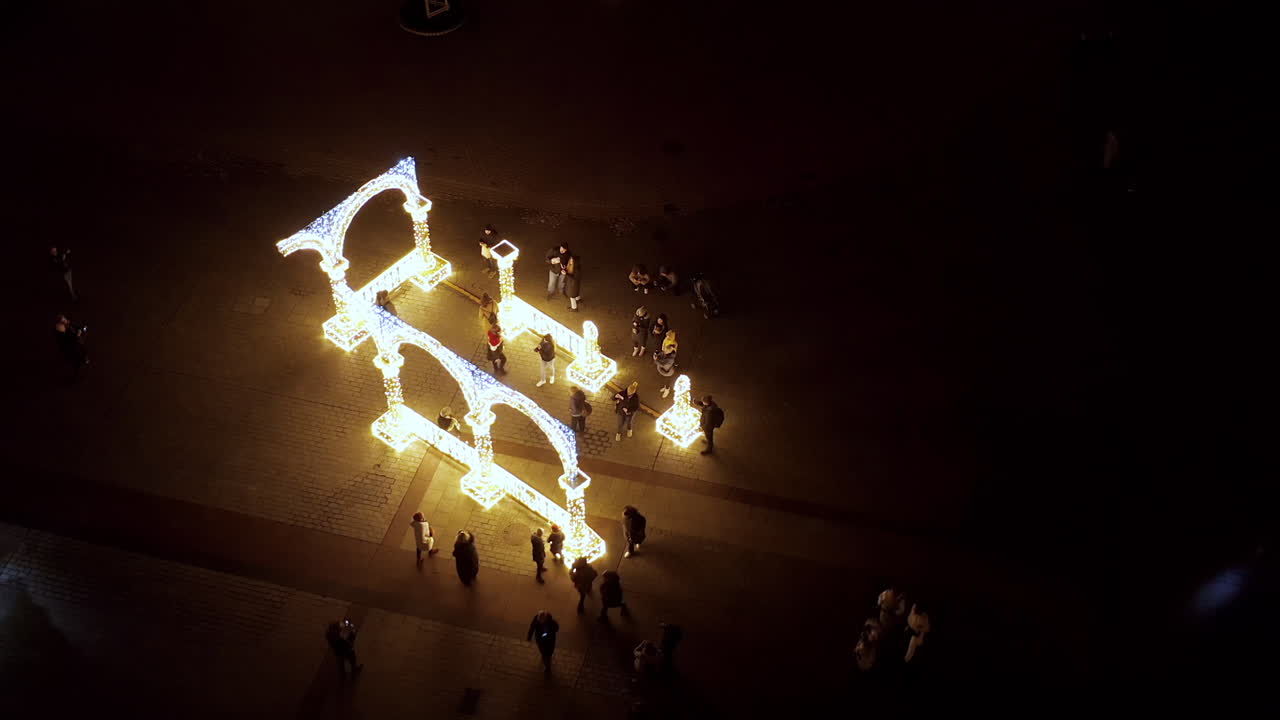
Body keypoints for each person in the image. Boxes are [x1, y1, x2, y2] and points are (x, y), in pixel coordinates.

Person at [654, 331, 677, 398]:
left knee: (667, 380)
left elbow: (662, 364)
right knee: (664, 378)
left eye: (666, 350)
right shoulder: (666, 352)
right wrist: (657, 355)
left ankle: (667, 389)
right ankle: (665, 387)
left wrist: (656, 359)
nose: (664, 351)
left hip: (668, 371)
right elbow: (662, 353)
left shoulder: (670, 359)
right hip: (664, 370)